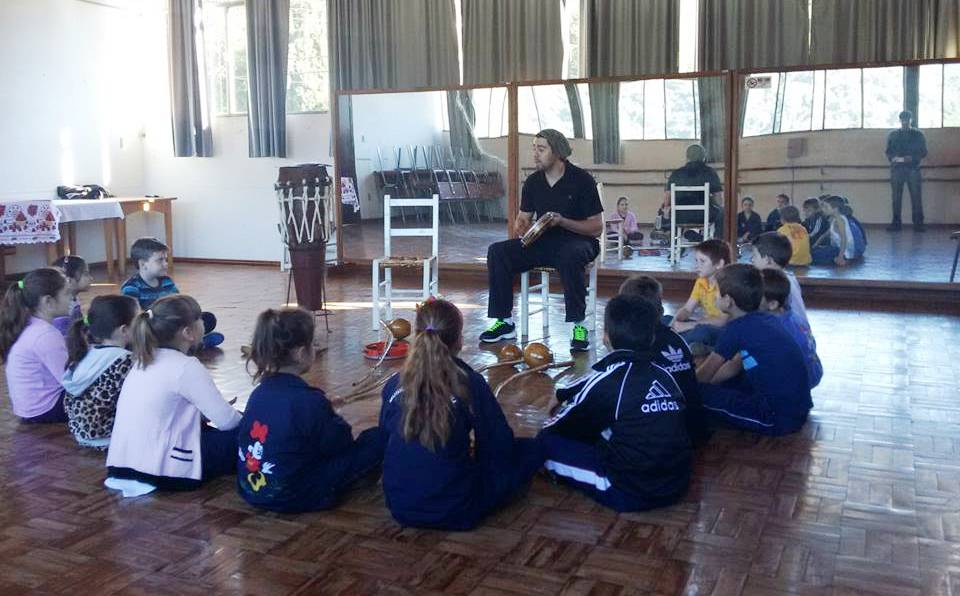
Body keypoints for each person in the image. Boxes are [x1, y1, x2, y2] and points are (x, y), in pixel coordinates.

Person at [380, 298, 544, 530]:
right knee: (532, 450)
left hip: (399, 506)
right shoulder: (469, 383)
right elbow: (499, 445)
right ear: (459, 340)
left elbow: (385, 437)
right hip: (457, 509)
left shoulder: (393, 384)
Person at [538, 295, 692, 512]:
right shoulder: (665, 375)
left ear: (605, 337)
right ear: (650, 339)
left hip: (630, 490)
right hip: (678, 482)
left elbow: (560, 425)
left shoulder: (610, 380)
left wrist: (553, 419)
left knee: (543, 444)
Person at [237, 308, 384, 513]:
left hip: (251, 491)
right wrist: (334, 415)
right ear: (300, 354)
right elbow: (341, 444)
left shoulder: (258, 394)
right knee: (376, 438)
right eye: (312, 344)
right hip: (296, 495)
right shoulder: (310, 401)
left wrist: (323, 409)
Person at [105, 295, 241, 497]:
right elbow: (228, 422)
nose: (204, 324)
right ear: (188, 332)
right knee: (252, 434)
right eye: (200, 319)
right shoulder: (186, 366)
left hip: (122, 464)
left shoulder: (143, 360)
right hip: (167, 471)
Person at [482, 129, 603, 351]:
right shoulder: (533, 182)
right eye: (534, 149)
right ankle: (504, 322)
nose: (535, 154)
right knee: (498, 251)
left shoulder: (582, 180)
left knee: (570, 255)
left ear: (557, 152)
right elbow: (523, 219)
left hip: (579, 242)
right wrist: (522, 226)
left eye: (541, 149)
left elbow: (596, 228)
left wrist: (563, 221)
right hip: (544, 242)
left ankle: (578, 325)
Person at [696, 264, 812, 436]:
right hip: (799, 408)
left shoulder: (736, 329)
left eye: (717, 292)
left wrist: (684, 383)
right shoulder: (767, 319)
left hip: (776, 418)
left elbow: (705, 374)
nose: (714, 296)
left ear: (728, 301)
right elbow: (733, 366)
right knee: (725, 384)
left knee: (696, 395)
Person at [618, 275, 711, 447]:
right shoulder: (677, 339)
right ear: (659, 310)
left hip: (664, 438)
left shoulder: (637, 344)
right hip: (695, 430)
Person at [62, 295, 139, 448]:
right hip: (108, 435)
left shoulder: (87, 352)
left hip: (81, 432)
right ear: (124, 330)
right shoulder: (125, 360)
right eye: (138, 322)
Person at [121, 237, 224, 350]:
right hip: (151, 328)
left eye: (165, 259)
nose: (165, 264)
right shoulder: (131, 287)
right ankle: (196, 344)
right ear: (143, 264)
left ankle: (189, 342)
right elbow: (133, 317)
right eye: (160, 260)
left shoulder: (166, 281)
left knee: (207, 318)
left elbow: (177, 303)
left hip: (171, 323)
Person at [0, 268, 72, 423]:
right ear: (48, 301)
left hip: (27, 408)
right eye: (67, 294)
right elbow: (69, 380)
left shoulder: (29, 324)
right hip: (45, 408)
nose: (71, 299)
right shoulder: (45, 334)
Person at [760, 269, 823, 389]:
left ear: (772, 305)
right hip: (813, 370)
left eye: (754, 297)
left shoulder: (775, 330)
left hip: (796, 379)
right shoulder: (793, 315)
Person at [667, 239, 732, 347]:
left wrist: (690, 325)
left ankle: (678, 345)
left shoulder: (727, 284)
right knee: (666, 319)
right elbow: (687, 309)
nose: (697, 266)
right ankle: (682, 343)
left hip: (724, 330)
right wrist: (674, 322)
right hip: (704, 324)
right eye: (696, 261)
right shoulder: (701, 281)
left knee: (701, 332)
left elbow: (724, 320)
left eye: (702, 261)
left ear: (719, 264)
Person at [750, 232, 810, 331]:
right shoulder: (789, 278)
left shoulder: (775, 283)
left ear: (768, 260)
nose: (752, 260)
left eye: (754, 256)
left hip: (791, 334)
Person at [663, 144, 724, 239]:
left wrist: (668, 209)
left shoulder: (676, 173)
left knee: (667, 211)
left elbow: (667, 199)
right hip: (704, 215)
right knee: (723, 213)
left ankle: (674, 240)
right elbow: (719, 199)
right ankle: (716, 244)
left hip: (679, 216)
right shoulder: (710, 172)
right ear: (704, 157)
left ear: (687, 158)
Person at [885, 110, 927, 231]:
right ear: (900, 120)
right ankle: (896, 223)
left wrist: (913, 158)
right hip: (897, 169)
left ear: (911, 120)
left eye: (906, 120)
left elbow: (923, 151)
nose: (904, 122)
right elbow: (888, 151)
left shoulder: (918, 135)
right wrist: (893, 158)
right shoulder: (893, 135)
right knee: (896, 198)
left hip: (912, 168)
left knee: (916, 197)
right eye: (903, 120)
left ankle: (918, 224)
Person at [810, 196, 857, 267]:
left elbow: (844, 239)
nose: (823, 209)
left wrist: (840, 257)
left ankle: (839, 260)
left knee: (812, 256)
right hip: (836, 249)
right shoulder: (834, 219)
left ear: (835, 209)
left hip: (842, 252)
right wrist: (815, 245)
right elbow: (825, 234)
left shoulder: (839, 220)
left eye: (826, 207)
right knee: (813, 251)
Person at [51, 255, 92, 336]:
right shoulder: (62, 309)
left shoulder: (73, 298)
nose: (91, 278)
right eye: (86, 274)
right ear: (68, 280)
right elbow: (65, 336)